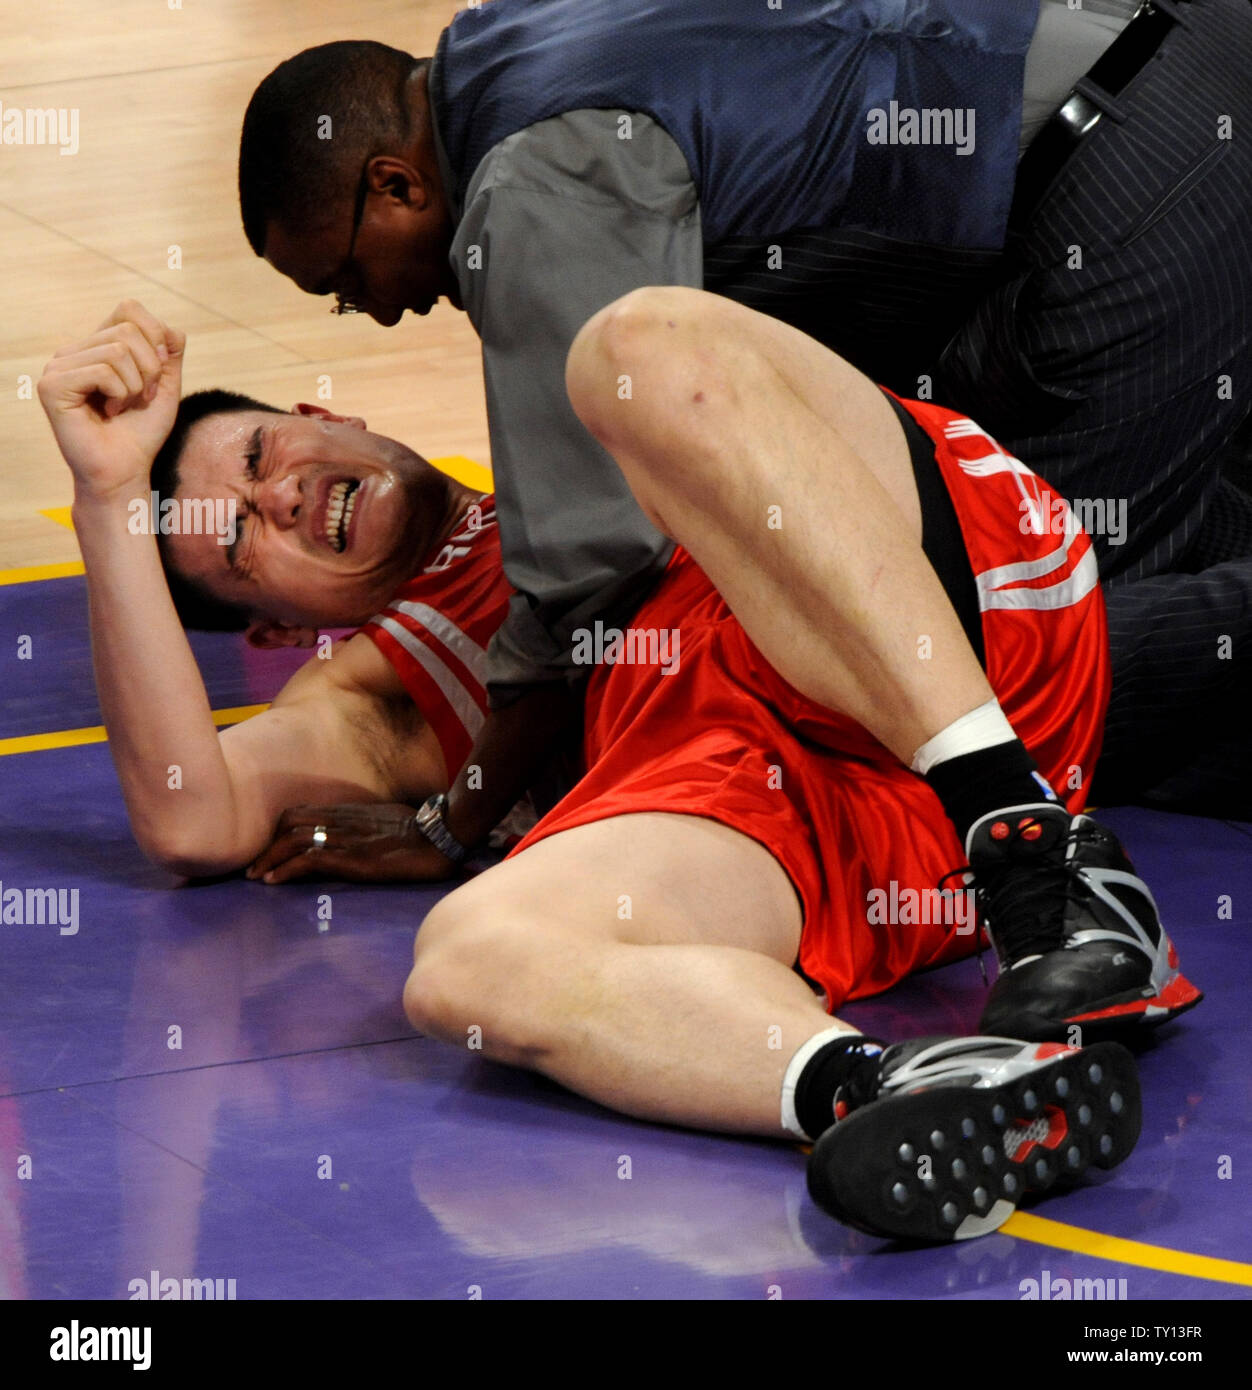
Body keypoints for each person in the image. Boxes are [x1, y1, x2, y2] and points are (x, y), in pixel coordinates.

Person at [38, 298, 1198, 1241]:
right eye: (246, 543)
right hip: (843, 829)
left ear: (314, 410)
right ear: (285, 632)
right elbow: (191, 822)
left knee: (629, 346)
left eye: (258, 456)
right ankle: (905, 1090)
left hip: (946, 625)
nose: (277, 497)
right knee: (460, 967)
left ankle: (1043, 862)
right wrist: (106, 492)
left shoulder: (563, 450)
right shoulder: (389, 696)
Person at [239, 0, 1252, 828]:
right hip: (1165, 73)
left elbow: (589, 569)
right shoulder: (517, 37)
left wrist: (456, 820)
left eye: (341, 279)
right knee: (955, 521)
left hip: (1126, 195)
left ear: (396, 182)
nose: (374, 310)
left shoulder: (529, 184)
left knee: (1002, 671)